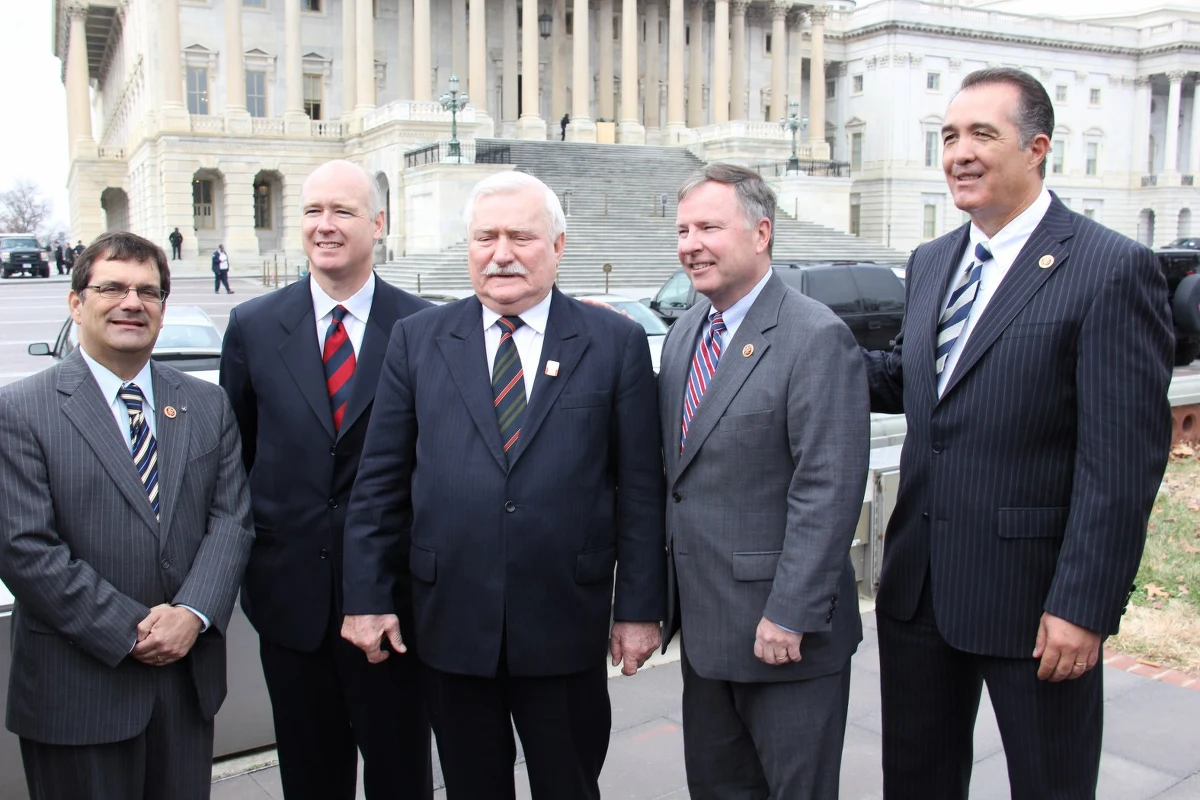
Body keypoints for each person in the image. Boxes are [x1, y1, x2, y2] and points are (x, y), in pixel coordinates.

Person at [862, 67, 1173, 798]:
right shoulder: (933, 261)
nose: (959, 153)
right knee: (915, 783)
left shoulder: (1110, 268)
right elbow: (911, 378)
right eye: (948, 137)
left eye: (982, 134)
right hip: (919, 588)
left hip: (1035, 604)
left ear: (1037, 148)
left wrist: (1083, 606)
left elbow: (1120, 464)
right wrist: (790, 340)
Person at [341, 170, 666, 800]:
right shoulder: (417, 340)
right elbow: (379, 483)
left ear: (558, 245)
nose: (501, 254)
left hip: (565, 622)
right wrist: (367, 597)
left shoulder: (614, 342)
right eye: (485, 237)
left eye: (521, 236)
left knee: (569, 785)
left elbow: (639, 490)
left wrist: (638, 609)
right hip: (451, 624)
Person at [0, 231, 254, 799]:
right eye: (112, 288)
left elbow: (231, 521)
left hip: (184, 685)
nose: (132, 303)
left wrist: (191, 614)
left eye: (148, 291)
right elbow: (24, 548)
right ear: (76, 302)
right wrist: (130, 632)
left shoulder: (206, 403)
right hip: (79, 689)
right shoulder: (19, 410)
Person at [220, 160, 434, 800]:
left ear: (379, 223)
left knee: (401, 776)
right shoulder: (253, 327)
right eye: (313, 210)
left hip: (397, 603)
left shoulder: (427, 328)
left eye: (342, 210)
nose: (325, 225)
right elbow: (238, 458)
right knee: (310, 779)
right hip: (291, 603)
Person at [659, 164, 869, 800]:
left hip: (783, 637)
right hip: (706, 634)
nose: (691, 244)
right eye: (683, 230)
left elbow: (827, 489)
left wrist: (790, 614)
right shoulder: (685, 333)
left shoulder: (815, 335)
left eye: (709, 228)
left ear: (761, 233)